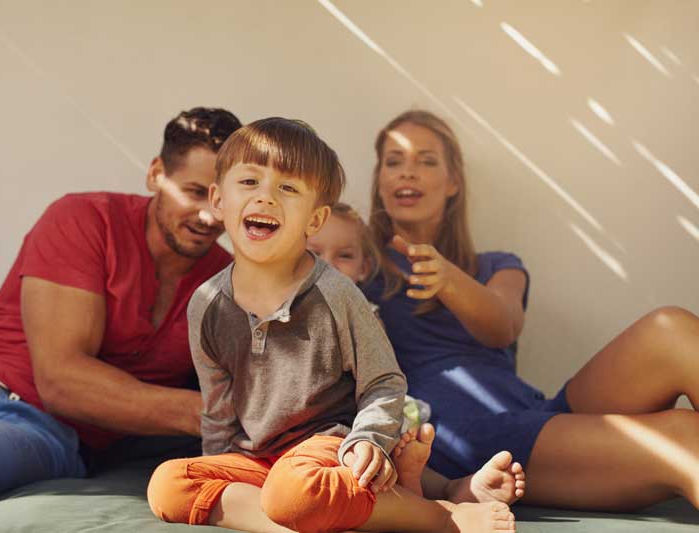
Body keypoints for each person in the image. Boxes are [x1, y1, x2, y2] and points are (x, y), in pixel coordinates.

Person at [147, 117, 518, 533]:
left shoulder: (336, 295)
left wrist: (369, 440)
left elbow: (384, 382)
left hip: (324, 450)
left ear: (314, 219)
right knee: (168, 484)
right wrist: (219, 467)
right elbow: (217, 409)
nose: (266, 198)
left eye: (287, 189)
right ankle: (293, 522)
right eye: (249, 182)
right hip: (255, 459)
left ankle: (443, 516)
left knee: (297, 490)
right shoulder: (207, 304)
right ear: (218, 200)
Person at [0, 107, 242, 512]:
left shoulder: (231, 288)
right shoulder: (86, 218)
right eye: (195, 192)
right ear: (155, 174)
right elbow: (62, 377)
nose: (208, 215)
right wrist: (206, 413)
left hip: (37, 428)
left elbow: (58, 396)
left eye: (222, 199)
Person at [362, 108, 699, 511]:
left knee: (671, 328)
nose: (407, 172)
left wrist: (450, 280)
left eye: (426, 161)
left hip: (532, 414)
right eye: (393, 161)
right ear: (380, 182)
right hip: (468, 441)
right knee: (684, 437)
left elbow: (502, 327)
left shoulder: (498, 266)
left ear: (453, 183)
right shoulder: (360, 268)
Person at [308, 201, 526, 505]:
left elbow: (380, 376)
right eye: (315, 255)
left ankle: (447, 488)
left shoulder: (366, 315)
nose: (329, 265)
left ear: (364, 269)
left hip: (362, 417)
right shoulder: (281, 311)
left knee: (400, 438)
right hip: (313, 425)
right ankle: (412, 489)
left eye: (344, 256)